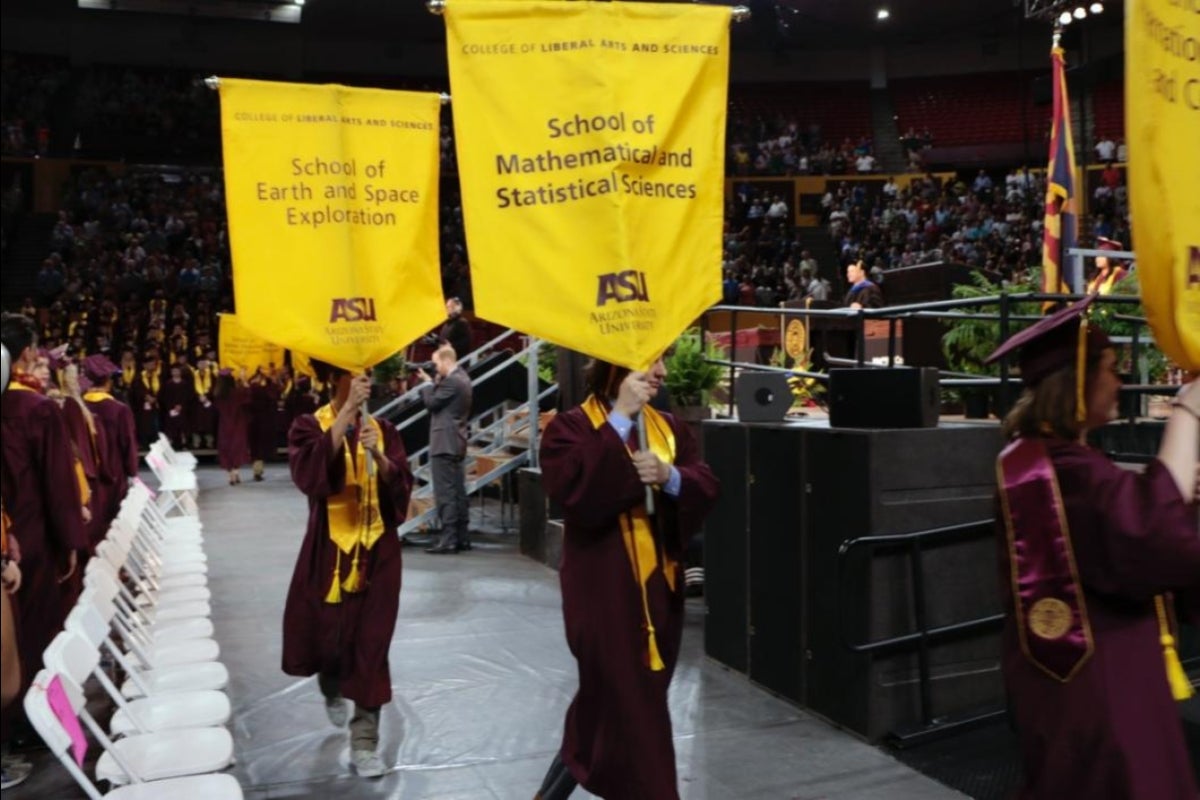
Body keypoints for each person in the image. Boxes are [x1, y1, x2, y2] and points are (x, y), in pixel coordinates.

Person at [986, 296, 1199, 800]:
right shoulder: (1059, 467)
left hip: (1080, 671)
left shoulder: (1039, 458)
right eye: (1110, 369)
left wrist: (1172, 488)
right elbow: (1147, 532)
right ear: (1077, 383)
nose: (1120, 382)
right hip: (1099, 679)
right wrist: (1188, 410)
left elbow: (1113, 519)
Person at [534, 356, 719, 800]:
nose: (663, 373)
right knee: (637, 712)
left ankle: (552, 792)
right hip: (602, 595)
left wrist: (670, 476)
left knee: (612, 704)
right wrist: (619, 418)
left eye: (663, 361)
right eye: (652, 361)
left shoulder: (669, 428)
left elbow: (706, 483)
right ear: (619, 367)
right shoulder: (569, 428)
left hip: (660, 595)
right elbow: (575, 495)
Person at [281, 361, 412, 779]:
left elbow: (403, 485)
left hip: (379, 553)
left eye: (367, 375)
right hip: (329, 553)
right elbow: (308, 477)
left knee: (372, 645)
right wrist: (342, 418)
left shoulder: (384, 429)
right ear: (333, 379)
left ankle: (365, 741)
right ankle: (329, 681)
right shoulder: (307, 425)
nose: (363, 382)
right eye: (353, 375)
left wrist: (379, 455)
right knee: (327, 636)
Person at [0, 314, 87, 785]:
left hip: (8, 540)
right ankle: (29, 725)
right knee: (31, 638)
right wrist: (71, 541)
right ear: (27, 354)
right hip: (29, 543)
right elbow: (57, 486)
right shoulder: (34, 410)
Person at [416, 345, 473, 554]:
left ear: (446, 360)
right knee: (457, 491)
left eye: (436, 362)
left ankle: (449, 539)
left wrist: (428, 384)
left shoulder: (452, 381)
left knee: (446, 493)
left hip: (445, 442)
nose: (435, 367)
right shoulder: (462, 378)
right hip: (455, 441)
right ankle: (461, 537)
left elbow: (431, 403)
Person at [81, 354, 140, 538]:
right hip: (114, 473)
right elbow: (128, 444)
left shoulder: (78, 406)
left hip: (87, 474)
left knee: (93, 519)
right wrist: (132, 471)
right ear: (108, 380)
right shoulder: (119, 409)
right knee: (113, 522)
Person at [213, 369, 251, 485]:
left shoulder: (217, 394)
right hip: (237, 423)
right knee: (237, 447)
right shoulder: (236, 393)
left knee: (226, 448)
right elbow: (248, 396)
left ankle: (231, 475)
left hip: (224, 424)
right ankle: (236, 472)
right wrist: (244, 380)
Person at [437, 297, 472, 362]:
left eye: (449, 307)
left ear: (457, 308)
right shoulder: (447, 323)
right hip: (446, 359)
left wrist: (451, 345)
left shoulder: (462, 322)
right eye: (446, 306)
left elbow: (466, 342)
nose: (446, 309)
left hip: (457, 360)